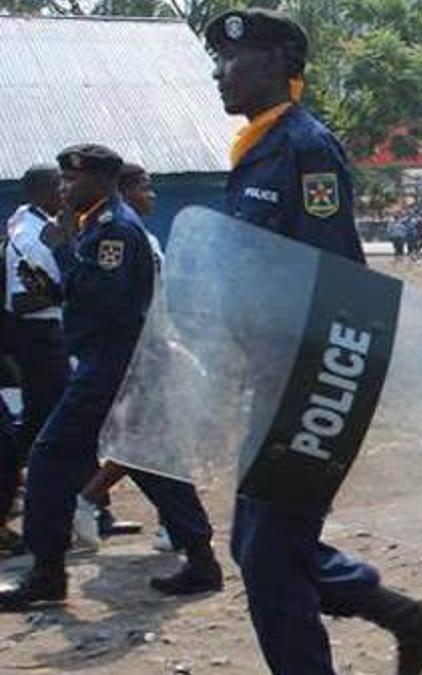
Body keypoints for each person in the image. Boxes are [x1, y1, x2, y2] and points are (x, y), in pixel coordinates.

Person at [207, 10, 422, 674]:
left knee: (267, 553)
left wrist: (324, 386)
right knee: (263, 544)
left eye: (235, 57)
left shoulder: (304, 148)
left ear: (282, 63)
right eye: (218, 59)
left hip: (309, 379)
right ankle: (413, 619)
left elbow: (340, 277)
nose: (219, 71)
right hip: (270, 376)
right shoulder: (257, 148)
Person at [0, 144, 222, 611]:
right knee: (143, 457)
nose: (64, 189)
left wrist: (61, 255)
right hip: (123, 359)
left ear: (104, 181)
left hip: (112, 362)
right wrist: (55, 288)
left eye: (73, 181)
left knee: (49, 457)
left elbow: (109, 302)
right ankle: (202, 559)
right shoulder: (95, 225)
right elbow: (93, 291)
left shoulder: (112, 229)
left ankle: (46, 573)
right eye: (62, 181)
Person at [0, 165, 70, 555]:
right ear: (43, 190)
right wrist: (73, 290)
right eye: (61, 185)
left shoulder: (41, 226)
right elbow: (23, 299)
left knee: (47, 430)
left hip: (48, 337)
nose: (66, 191)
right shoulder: (29, 235)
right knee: (40, 434)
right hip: (39, 340)